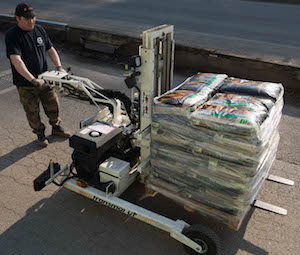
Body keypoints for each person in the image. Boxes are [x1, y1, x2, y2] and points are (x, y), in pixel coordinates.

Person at [5, 3, 71, 147]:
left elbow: (51, 49)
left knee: (53, 105)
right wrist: (32, 79)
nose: (31, 21)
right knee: (32, 111)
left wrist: (59, 67)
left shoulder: (39, 30)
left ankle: (56, 128)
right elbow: (16, 60)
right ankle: (40, 135)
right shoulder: (12, 35)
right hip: (26, 84)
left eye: (33, 18)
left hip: (45, 78)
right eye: (27, 19)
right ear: (18, 18)